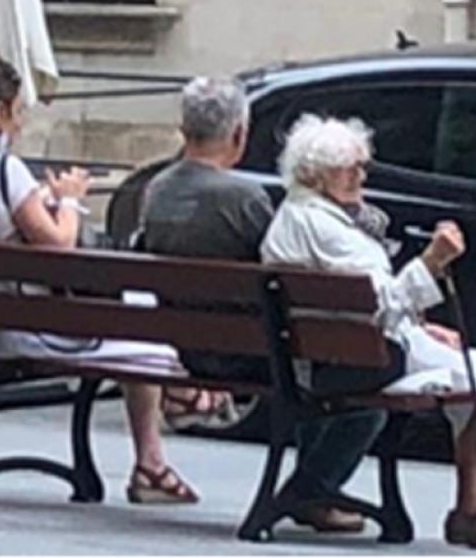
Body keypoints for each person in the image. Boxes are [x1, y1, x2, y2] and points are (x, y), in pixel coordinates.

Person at [0, 48, 218, 505]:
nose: (21, 123)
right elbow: (60, 244)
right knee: (144, 318)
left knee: (137, 321)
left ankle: (169, 426)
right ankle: (171, 421)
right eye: (19, 112)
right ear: (0, 112)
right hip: (29, 334)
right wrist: (69, 197)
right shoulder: (7, 171)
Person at [261, 114, 476, 553]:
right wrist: (432, 262)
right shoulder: (327, 230)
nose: (360, 175)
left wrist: (420, 327)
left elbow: (363, 306)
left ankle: (473, 512)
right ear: (316, 175)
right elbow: (381, 305)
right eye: (350, 168)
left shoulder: (298, 216)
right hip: (363, 360)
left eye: (363, 165)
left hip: (334, 353)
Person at [140, 77, 387, 534]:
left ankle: (311, 493)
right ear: (239, 134)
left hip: (186, 347)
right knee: (361, 395)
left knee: (321, 363)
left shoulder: (155, 191)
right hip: (255, 353)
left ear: (183, 129)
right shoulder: (243, 199)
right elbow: (287, 273)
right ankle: (311, 491)